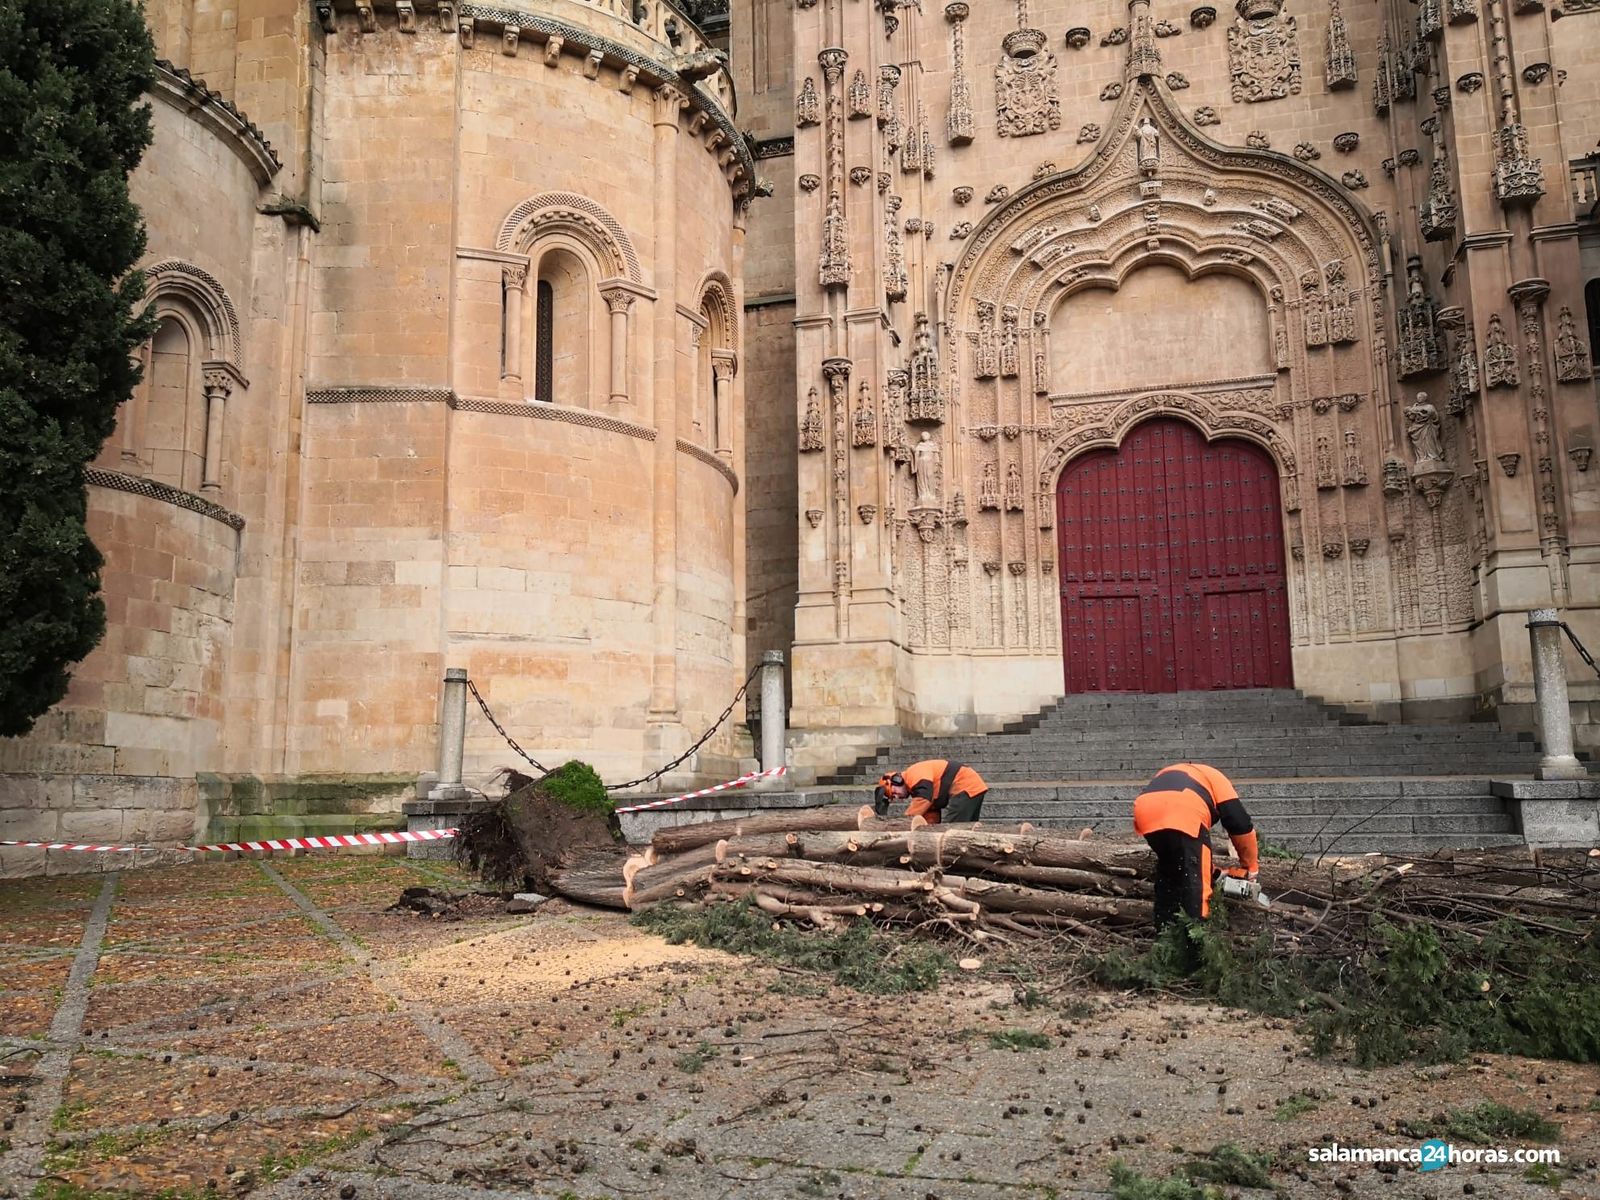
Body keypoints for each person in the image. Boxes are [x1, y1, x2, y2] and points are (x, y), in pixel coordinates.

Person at [1131, 762, 1259, 928]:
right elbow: (1240, 824)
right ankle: (1197, 938)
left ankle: (1164, 930)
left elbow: (1188, 857)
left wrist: (1214, 872)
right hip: (1184, 808)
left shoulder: (1187, 772)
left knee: (1170, 872)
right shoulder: (1219, 781)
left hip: (1146, 811)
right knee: (1197, 888)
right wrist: (1251, 867)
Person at [873, 759, 988, 824]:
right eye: (893, 797)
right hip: (973, 788)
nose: (897, 797)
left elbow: (924, 799)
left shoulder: (914, 774)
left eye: (894, 793)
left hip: (966, 787)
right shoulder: (917, 789)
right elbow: (931, 814)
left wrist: (904, 822)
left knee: (951, 830)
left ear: (896, 780)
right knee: (966, 829)